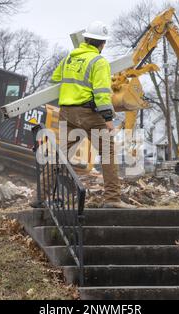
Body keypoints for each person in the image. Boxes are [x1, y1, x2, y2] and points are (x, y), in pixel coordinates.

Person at [51, 21, 134, 209]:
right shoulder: (99, 62)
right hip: (89, 113)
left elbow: (55, 79)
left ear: (86, 39)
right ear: (102, 44)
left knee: (61, 155)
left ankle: (42, 196)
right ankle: (112, 199)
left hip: (66, 113)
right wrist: (108, 119)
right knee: (108, 153)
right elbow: (102, 94)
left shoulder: (69, 58)